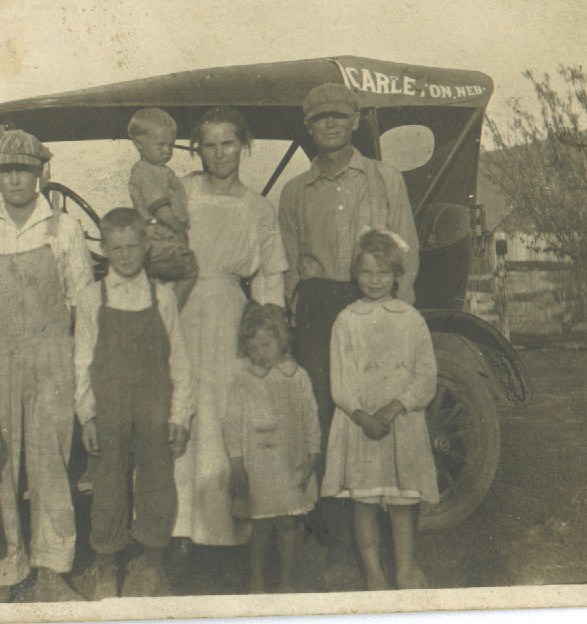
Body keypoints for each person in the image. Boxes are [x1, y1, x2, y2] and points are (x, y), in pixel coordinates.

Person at [0, 129, 94, 603]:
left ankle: (54, 568)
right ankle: (5, 572)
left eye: (23, 169)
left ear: (39, 173)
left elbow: (83, 303)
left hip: (52, 360)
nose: (14, 179)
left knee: (51, 464)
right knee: (0, 464)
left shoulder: (63, 228)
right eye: (4, 170)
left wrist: (77, 375)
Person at [173, 107, 289, 549]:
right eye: (209, 144)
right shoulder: (182, 193)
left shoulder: (257, 207)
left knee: (222, 412)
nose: (219, 154)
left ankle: (221, 528)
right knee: (182, 407)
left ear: (244, 146)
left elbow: (269, 281)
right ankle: (178, 529)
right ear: (197, 148)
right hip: (181, 307)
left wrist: (270, 344)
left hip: (229, 317)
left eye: (228, 143)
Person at [278, 82, 420, 443]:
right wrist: (296, 314)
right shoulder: (295, 191)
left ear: (355, 121)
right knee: (322, 403)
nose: (329, 125)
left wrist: (397, 311)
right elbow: (290, 261)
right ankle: (330, 498)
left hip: (371, 300)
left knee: (373, 396)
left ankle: (374, 496)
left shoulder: (385, 178)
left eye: (338, 116)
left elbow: (406, 249)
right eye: (319, 118)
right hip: (317, 307)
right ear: (309, 126)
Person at [74, 207, 193, 599]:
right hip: (110, 407)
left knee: (158, 482)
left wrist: (179, 414)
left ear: (145, 246)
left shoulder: (162, 297)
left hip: (154, 406)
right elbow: (82, 360)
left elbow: (178, 357)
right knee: (108, 484)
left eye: (132, 247)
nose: (125, 256)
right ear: (105, 250)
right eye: (116, 248)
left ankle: (152, 565)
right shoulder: (92, 298)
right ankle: (106, 565)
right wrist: (87, 414)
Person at [322, 229, 438, 591]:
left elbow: (425, 375)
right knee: (366, 501)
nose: (375, 281)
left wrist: (393, 408)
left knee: (402, 502)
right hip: (361, 426)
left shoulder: (410, 319)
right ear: (356, 274)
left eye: (383, 273)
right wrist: (362, 415)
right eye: (367, 273)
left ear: (396, 275)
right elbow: (340, 381)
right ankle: (374, 572)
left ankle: (405, 569)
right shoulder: (346, 320)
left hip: (399, 423)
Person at [225, 302, 321, 594]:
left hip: (291, 463)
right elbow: (231, 424)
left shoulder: (297, 377)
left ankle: (285, 580)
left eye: (266, 345)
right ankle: (256, 580)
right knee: (261, 525)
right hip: (259, 467)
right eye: (253, 347)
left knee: (287, 524)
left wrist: (313, 454)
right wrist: (237, 463)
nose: (260, 353)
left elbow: (310, 416)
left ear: (281, 341)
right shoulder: (244, 380)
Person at [126, 108, 198, 307]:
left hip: (164, 236)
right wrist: (179, 230)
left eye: (171, 145)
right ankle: (168, 314)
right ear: (140, 143)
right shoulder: (147, 173)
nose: (167, 151)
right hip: (161, 235)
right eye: (160, 145)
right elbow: (160, 209)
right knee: (189, 271)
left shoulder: (158, 171)